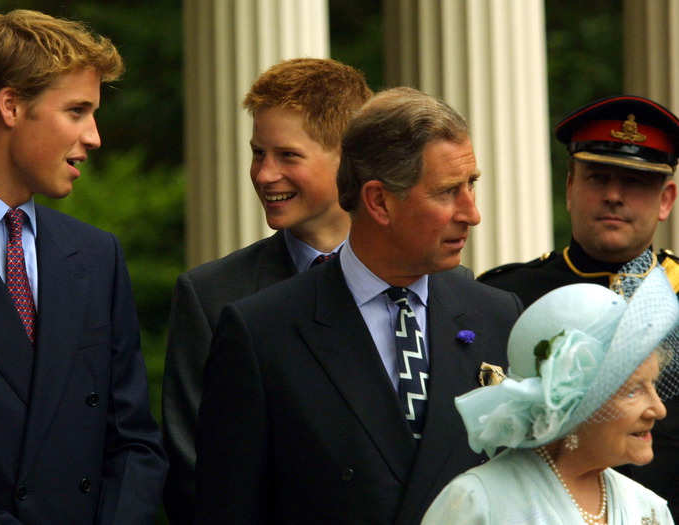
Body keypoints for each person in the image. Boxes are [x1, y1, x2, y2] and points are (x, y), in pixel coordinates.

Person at [195, 87, 523, 524]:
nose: (471, 212)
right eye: (447, 192)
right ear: (379, 201)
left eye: (471, 186)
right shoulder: (262, 332)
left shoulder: (498, 315)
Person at [162, 57, 373, 523]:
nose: (263, 174)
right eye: (258, 153)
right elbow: (193, 473)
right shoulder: (211, 297)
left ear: (348, 159)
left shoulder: (429, 286)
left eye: (287, 156)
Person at [0, 10, 167, 524]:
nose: (94, 136)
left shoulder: (96, 255)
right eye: (77, 111)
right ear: (11, 105)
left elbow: (133, 441)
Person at [478, 95, 679, 516]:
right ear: (569, 187)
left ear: (666, 199)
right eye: (597, 177)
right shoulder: (505, 297)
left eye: (635, 182)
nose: (613, 195)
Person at [422, 267, 678, 524]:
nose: (658, 409)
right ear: (570, 401)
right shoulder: (480, 503)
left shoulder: (649, 508)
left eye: (653, 384)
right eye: (633, 391)